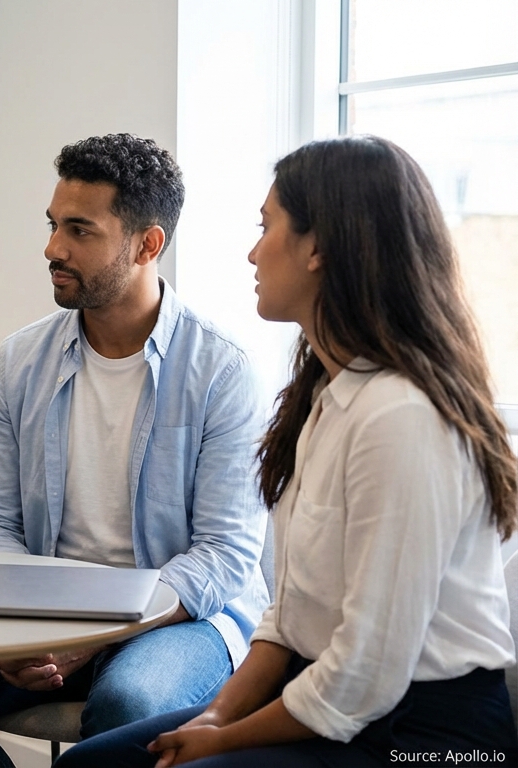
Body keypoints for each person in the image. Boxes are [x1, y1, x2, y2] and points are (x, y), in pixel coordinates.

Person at [56, 135, 518, 767]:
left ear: (319, 249)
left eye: (266, 226)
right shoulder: (324, 397)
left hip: (423, 735)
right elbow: (287, 616)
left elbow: (368, 671)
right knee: (92, 763)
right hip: (324, 693)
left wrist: (223, 739)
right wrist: (216, 714)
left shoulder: (402, 417)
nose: (251, 251)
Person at [0, 133, 269, 767]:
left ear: (148, 245)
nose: (52, 248)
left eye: (79, 231)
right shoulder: (19, 361)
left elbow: (225, 556)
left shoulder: (220, 371)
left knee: (129, 706)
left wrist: (89, 634)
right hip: (42, 612)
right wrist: (17, 623)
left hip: (182, 620)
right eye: (54, 224)